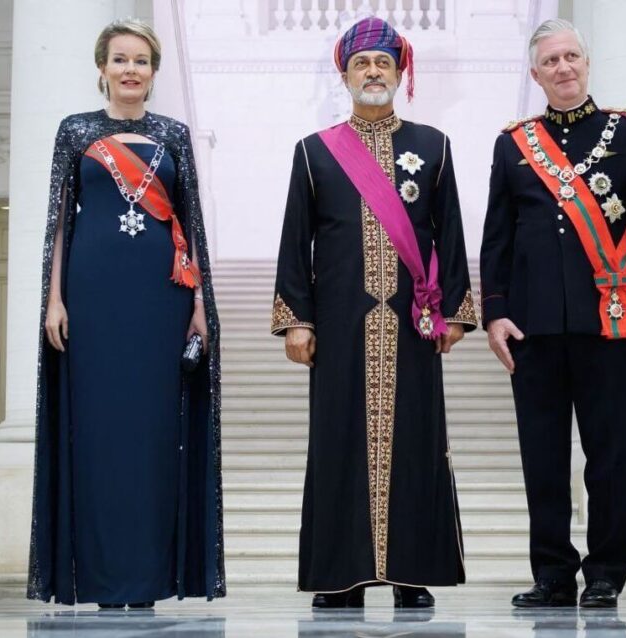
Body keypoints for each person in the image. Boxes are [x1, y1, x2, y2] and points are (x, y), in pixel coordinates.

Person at [271, 16, 477, 610]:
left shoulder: (432, 146)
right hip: (339, 328)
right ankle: (345, 576)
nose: (372, 72)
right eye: (361, 64)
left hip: (413, 326)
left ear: (399, 71)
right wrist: (297, 319)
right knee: (337, 444)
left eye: (382, 63)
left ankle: (412, 573)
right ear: (345, 74)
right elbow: (295, 242)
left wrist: (458, 311)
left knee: (416, 442)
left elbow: (452, 234)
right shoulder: (313, 153)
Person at [28, 18, 225, 608]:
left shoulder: (174, 135)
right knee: (99, 435)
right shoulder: (75, 132)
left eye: (141, 61)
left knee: (153, 437)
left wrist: (198, 305)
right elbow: (58, 223)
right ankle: (100, 578)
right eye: (120, 60)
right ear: (102, 68)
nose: (130, 70)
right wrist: (54, 299)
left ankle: (149, 580)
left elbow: (190, 226)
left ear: (154, 72)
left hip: (159, 302)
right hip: (91, 298)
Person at [479, 18, 626, 609]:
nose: (563, 68)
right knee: (542, 456)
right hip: (534, 327)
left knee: (609, 455)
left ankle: (607, 571)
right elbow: (497, 239)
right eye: (551, 62)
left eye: (571, 58)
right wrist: (495, 314)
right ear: (536, 75)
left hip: (607, 323)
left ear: (585, 64)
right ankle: (553, 574)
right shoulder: (514, 144)